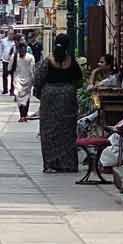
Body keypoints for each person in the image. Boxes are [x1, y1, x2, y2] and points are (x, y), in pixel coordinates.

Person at [34, 38, 85, 171]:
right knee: (67, 130)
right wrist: (69, 88)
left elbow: (38, 80)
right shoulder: (72, 62)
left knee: (49, 131)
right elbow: (79, 81)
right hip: (67, 97)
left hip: (49, 97)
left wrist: (40, 95)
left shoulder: (47, 61)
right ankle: (68, 164)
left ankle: (50, 164)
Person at [14, 42, 36, 120]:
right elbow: (32, 70)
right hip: (22, 80)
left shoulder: (16, 57)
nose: (22, 50)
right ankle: (23, 115)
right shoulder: (30, 57)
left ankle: (23, 115)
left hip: (22, 79)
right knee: (23, 97)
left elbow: (10, 68)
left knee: (21, 97)